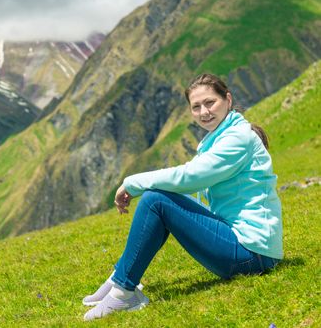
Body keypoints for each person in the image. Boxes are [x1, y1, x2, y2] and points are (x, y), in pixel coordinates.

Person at [83, 73, 283, 321]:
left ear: (228, 100)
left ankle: (124, 292)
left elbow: (191, 177)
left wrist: (132, 183)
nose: (204, 112)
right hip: (247, 246)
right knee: (158, 199)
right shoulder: (218, 137)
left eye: (210, 103)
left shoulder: (238, 138)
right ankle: (119, 279)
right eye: (196, 107)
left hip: (253, 254)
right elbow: (191, 185)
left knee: (155, 200)